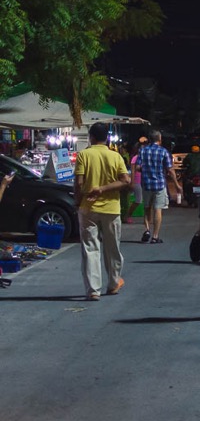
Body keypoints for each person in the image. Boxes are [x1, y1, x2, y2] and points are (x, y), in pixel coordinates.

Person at [73, 122, 131, 301]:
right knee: (112, 248)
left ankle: (93, 290)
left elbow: (78, 183)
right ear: (106, 138)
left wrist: (79, 201)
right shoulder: (115, 156)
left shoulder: (83, 155)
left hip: (88, 208)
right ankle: (113, 284)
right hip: (111, 208)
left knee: (90, 249)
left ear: (91, 137)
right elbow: (125, 180)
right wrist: (104, 189)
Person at [136, 130, 181, 244]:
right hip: (159, 184)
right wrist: (176, 184)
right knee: (157, 209)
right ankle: (155, 236)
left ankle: (147, 230)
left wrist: (146, 170)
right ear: (159, 139)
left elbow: (137, 167)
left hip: (146, 184)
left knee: (147, 208)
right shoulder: (164, 151)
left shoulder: (142, 150)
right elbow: (170, 169)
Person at [124, 138, 148, 227]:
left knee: (147, 201)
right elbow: (133, 171)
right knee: (138, 200)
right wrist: (132, 182)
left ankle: (148, 219)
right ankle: (128, 215)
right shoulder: (135, 158)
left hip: (145, 181)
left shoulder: (146, 157)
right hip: (137, 181)